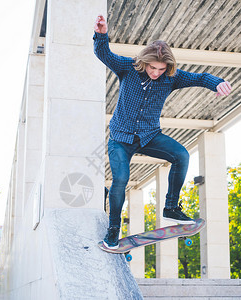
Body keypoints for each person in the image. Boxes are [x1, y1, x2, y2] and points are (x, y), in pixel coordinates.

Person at [94, 15, 232, 249]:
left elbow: (200, 77)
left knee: (181, 156)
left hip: (149, 136)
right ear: (144, 62)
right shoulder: (128, 68)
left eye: (161, 69)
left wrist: (216, 82)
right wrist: (101, 34)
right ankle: (113, 229)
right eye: (152, 67)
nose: (156, 72)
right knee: (120, 179)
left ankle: (171, 208)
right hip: (121, 138)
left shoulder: (172, 77)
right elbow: (104, 54)